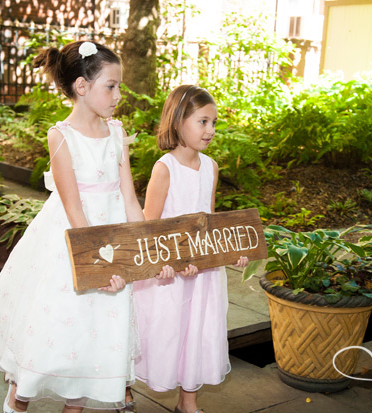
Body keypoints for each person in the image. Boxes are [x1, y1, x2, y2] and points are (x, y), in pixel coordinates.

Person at [0, 40, 175, 413]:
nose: (118, 94)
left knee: (93, 339)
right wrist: (98, 265)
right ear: (82, 87)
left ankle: (76, 405)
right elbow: (73, 211)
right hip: (75, 244)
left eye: (119, 86)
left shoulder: (116, 133)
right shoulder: (61, 135)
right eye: (111, 86)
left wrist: (152, 247)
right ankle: (18, 399)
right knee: (55, 330)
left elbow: (131, 200)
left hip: (113, 239)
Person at [132, 85, 249, 413]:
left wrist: (229, 252)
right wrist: (167, 262)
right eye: (203, 122)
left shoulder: (210, 167)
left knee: (196, 331)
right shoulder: (164, 168)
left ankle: (189, 402)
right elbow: (149, 227)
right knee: (167, 330)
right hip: (170, 274)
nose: (211, 130)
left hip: (203, 274)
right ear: (178, 120)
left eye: (214, 123)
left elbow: (208, 221)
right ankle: (126, 390)